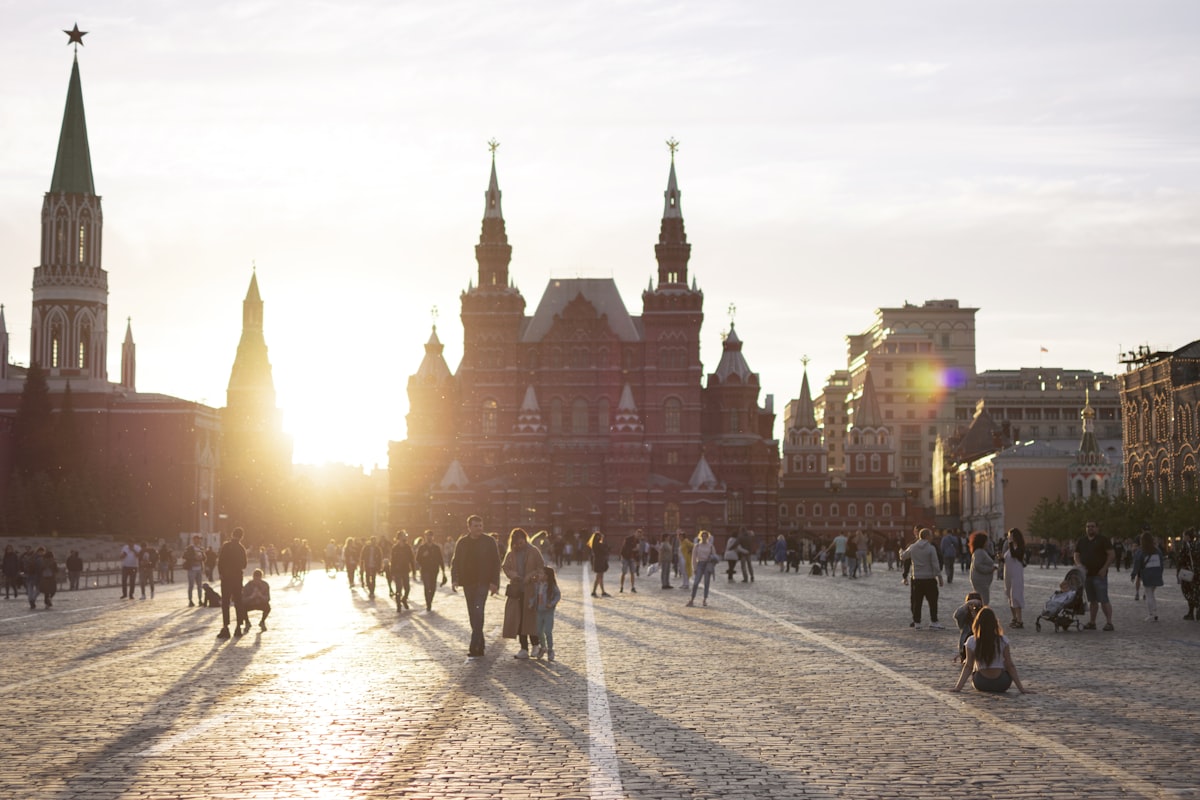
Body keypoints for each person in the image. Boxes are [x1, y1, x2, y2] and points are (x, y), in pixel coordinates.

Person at [452, 514, 501, 659]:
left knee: (478, 611)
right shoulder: (462, 542)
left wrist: (494, 583)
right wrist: (454, 580)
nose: (479, 528)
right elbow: (455, 562)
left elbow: (496, 562)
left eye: (480, 526)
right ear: (469, 527)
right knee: (473, 614)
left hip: (483, 582)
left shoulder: (489, 541)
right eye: (476, 526)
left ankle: (474, 645)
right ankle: (481, 643)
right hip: (468, 582)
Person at [950, 606, 1030, 694]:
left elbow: (968, 666)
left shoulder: (972, 641)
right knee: (1004, 666)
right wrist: (1021, 689)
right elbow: (1009, 665)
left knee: (973, 666)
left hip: (981, 682)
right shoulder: (1003, 640)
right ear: (995, 623)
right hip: (1002, 683)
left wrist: (958, 687)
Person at [501, 528, 544, 659]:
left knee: (531, 619)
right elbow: (505, 567)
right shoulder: (511, 553)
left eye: (522, 542)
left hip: (531, 590)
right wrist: (513, 575)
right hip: (517, 591)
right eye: (517, 543)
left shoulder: (534, 551)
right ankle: (523, 648)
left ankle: (536, 645)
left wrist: (532, 576)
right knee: (519, 620)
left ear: (525, 539)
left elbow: (541, 568)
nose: (520, 545)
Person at [1074, 520, 1115, 631]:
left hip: (1099, 575)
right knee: (1092, 600)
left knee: (1103, 599)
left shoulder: (1103, 540)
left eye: (1092, 526)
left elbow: (1111, 555)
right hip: (1087, 576)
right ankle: (1092, 622)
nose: (1090, 528)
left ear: (1097, 528)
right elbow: (1076, 555)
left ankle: (1109, 623)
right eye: (1088, 527)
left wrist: (1104, 568)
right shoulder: (1082, 541)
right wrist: (1079, 566)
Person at [900, 528, 944, 629]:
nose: (932, 537)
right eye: (931, 535)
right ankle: (934, 621)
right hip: (929, 578)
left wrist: (900, 551)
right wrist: (939, 577)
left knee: (917, 601)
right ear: (927, 536)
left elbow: (903, 556)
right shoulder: (931, 548)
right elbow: (935, 563)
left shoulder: (913, 547)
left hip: (917, 578)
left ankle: (917, 622)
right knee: (933, 601)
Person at [216, 528, 248, 640]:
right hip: (237, 578)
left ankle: (226, 627)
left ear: (232, 534)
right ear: (241, 536)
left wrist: (222, 573)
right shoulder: (241, 548)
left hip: (226, 578)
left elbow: (220, 561)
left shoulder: (226, 546)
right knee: (238, 602)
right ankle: (238, 626)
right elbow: (244, 565)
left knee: (225, 602)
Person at [1130, 530, 1164, 622]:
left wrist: (1133, 574)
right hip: (1156, 574)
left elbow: (1137, 564)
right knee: (1152, 594)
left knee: (1149, 594)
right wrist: (1160, 573)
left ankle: (1151, 614)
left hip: (1147, 574)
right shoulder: (1157, 550)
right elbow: (1162, 563)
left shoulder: (1141, 551)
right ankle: (1155, 612)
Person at [533, 565, 561, 661]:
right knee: (538, 631)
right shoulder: (538, 585)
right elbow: (535, 596)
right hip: (539, 611)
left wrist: (552, 604)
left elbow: (558, 595)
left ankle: (550, 649)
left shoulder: (551, 586)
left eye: (541, 573)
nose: (539, 575)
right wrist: (531, 603)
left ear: (547, 576)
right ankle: (543, 647)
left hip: (548, 612)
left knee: (548, 631)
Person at [1003, 528, 1027, 628]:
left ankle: (1020, 620)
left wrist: (1010, 544)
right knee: (1009, 595)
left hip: (1016, 574)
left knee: (1016, 595)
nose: (1009, 537)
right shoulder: (1010, 548)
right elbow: (1007, 559)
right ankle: (1014, 618)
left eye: (1010, 536)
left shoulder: (1019, 548)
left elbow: (1015, 555)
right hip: (1008, 574)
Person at [687, 530, 718, 607]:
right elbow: (693, 558)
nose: (704, 537)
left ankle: (704, 599)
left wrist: (712, 564)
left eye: (705, 536)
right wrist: (694, 568)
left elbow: (715, 557)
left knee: (707, 583)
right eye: (703, 536)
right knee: (696, 582)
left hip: (707, 564)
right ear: (700, 537)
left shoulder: (711, 546)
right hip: (700, 564)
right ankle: (692, 599)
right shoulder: (697, 546)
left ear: (708, 537)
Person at [415, 533, 445, 612]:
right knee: (427, 587)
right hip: (425, 570)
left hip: (434, 570)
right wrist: (423, 556)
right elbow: (417, 559)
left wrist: (443, 570)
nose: (429, 538)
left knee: (433, 587)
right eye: (427, 536)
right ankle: (428, 603)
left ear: (433, 537)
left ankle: (430, 600)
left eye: (431, 536)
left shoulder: (436, 548)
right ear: (425, 537)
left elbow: (440, 559)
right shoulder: (422, 548)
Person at [953, 592, 984, 663]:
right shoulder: (964, 618)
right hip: (965, 648)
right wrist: (967, 604)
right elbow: (957, 615)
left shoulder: (984, 615)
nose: (973, 606)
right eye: (971, 604)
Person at [968, 531, 996, 606]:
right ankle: (982, 615)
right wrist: (990, 569)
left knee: (982, 599)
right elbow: (977, 565)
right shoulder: (979, 552)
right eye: (986, 541)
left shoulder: (981, 551)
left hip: (982, 581)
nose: (988, 543)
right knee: (984, 600)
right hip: (981, 581)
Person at [1179, 529, 1200, 620]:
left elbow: (1181, 559)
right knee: (1196, 591)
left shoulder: (1186, 546)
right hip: (1197, 571)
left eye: (1184, 536)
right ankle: (1197, 611)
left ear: (1188, 536)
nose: (1183, 538)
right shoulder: (1196, 545)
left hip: (1189, 572)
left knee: (1188, 591)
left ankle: (1191, 612)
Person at [183, 535, 205, 607]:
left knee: (199, 586)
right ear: (193, 540)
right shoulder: (190, 548)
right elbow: (185, 556)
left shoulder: (200, 548)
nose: (198, 541)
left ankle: (200, 600)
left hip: (199, 569)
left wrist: (202, 557)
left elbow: (204, 557)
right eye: (196, 539)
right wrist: (194, 558)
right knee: (191, 585)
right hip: (192, 569)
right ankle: (190, 600)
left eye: (198, 539)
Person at [589, 531, 611, 597]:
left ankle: (602, 591)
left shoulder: (595, 544)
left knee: (600, 577)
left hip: (599, 561)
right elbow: (605, 550)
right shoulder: (598, 544)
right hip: (599, 561)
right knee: (599, 577)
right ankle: (594, 591)